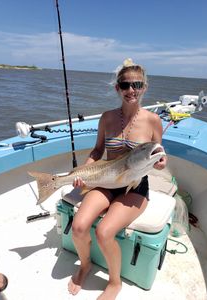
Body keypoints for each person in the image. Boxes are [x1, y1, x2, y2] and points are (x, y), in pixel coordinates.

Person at [68, 58, 167, 300]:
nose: (131, 90)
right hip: (105, 181)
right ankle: (85, 264)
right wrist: (84, 172)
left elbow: (159, 155)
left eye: (137, 85)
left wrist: (162, 163)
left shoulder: (153, 120)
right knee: (79, 226)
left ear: (144, 87)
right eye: (125, 85)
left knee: (104, 232)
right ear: (117, 88)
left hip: (135, 186)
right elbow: (97, 151)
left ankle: (114, 282)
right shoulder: (107, 118)